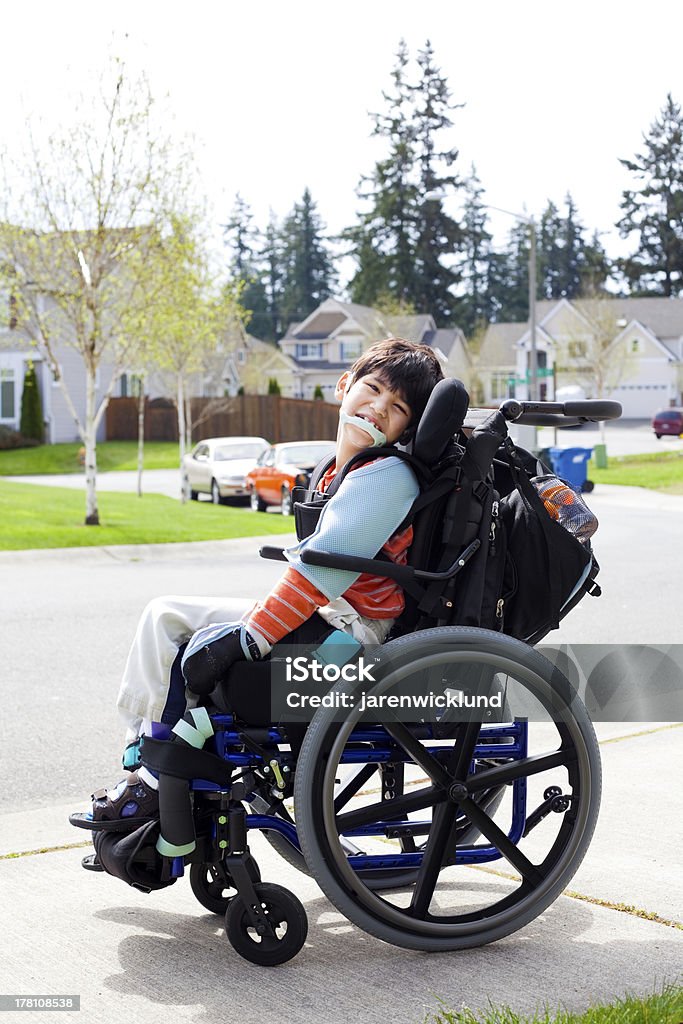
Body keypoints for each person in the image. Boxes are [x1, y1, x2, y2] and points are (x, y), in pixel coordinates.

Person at [88, 338, 444, 822]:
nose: (379, 408)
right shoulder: (337, 470)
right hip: (326, 615)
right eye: (373, 388)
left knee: (198, 638)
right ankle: (145, 762)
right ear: (345, 386)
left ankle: (155, 781)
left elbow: (322, 570)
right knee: (163, 615)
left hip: (353, 635)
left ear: (408, 425)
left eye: (398, 406)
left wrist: (250, 638)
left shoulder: (388, 476)